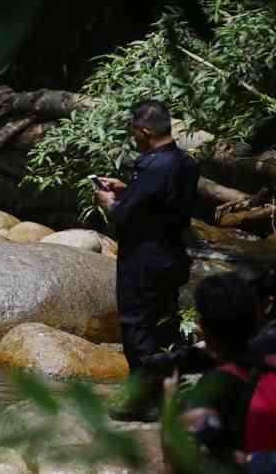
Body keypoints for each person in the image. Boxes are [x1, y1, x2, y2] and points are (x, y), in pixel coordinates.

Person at [94, 100, 200, 422]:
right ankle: (171, 389)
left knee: (136, 327)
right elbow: (161, 202)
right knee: (164, 322)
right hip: (173, 256)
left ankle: (142, 400)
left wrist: (110, 202)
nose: (133, 139)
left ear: (143, 131)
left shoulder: (153, 166)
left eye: (133, 134)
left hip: (144, 260)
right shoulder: (185, 162)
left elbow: (124, 217)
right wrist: (129, 189)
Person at [162, 273, 260, 473]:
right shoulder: (265, 363)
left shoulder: (214, 388)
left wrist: (169, 399)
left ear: (204, 326)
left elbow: (175, 463)